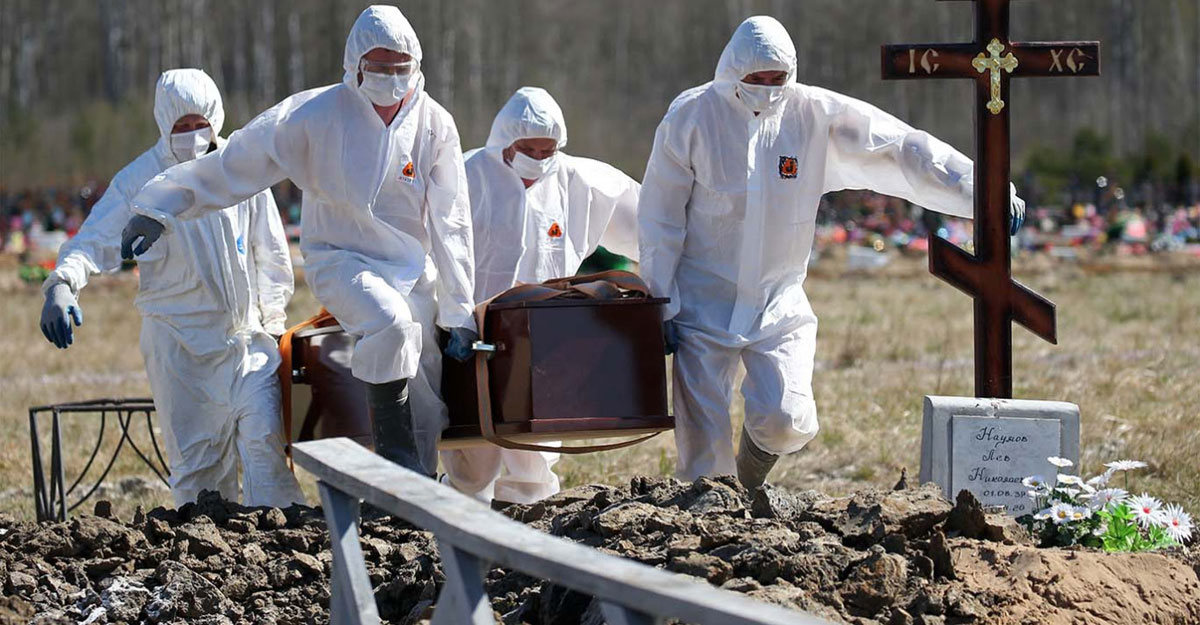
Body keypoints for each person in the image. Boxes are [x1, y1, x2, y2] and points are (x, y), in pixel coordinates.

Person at [638, 16, 1026, 491]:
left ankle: (748, 482)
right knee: (702, 451)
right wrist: (660, 305)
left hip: (777, 302)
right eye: (754, 79)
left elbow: (900, 148)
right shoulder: (691, 118)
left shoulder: (814, 117)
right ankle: (705, 534)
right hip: (700, 304)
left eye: (776, 79)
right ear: (730, 72)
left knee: (787, 418)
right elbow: (659, 217)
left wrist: (982, 190)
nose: (765, 89)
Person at [119, 5, 476, 476]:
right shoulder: (315, 115)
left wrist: (459, 311)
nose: (390, 80)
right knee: (388, 324)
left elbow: (452, 223)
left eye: (400, 68)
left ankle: (414, 490)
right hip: (340, 258)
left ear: (417, 66)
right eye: (378, 68)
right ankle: (394, 459)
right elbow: (236, 163)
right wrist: (160, 205)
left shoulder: (434, 125)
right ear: (354, 66)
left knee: (425, 379)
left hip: (411, 266)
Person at [39, 69, 304, 508]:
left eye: (200, 124)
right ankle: (211, 564)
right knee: (201, 480)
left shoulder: (239, 169)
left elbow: (270, 255)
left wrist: (273, 325)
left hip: (245, 343)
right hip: (180, 354)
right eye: (181, 127)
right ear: (164, 125)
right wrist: (62, 283)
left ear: (215, 119)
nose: (192, 135)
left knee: (266, 450)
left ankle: (278, 560)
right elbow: (94, 240)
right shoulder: (138, 182)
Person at [441, 87, 640, 504]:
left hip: (544, 342)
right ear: (504, 142)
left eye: (547, 149)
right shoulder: (463, 177)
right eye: (526, 148)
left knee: (534, 455)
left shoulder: (581, 182)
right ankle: (457, 528)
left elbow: (653, 230)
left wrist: (666, 299)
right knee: (473, 461)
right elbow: (427, 247)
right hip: (472, 339)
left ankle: (526, 533)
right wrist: (450, 319)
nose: (537, 157)